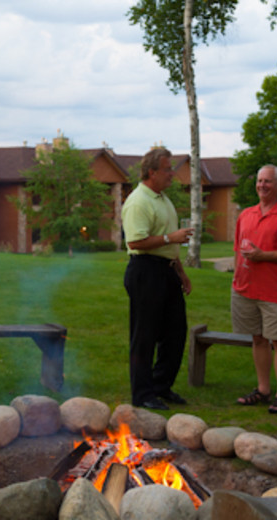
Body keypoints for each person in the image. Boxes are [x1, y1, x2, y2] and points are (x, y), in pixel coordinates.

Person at [121, 147, 193, 410]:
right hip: (145, 271)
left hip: (166, 270)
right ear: (152, 172)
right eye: (167, 169)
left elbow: (168, 246)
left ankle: (161, 385)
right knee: (145, 335)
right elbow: (135, 241)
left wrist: (181, 273)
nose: (172, 174)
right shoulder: (138, 201)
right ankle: (142, 394)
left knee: (175, 332)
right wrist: (169, 238)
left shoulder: (162, 198)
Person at [232, 165, 277, 415]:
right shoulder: (246, 215)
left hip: (276, 290)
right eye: (260, 181)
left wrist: (263, 256)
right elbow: (236, 251)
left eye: (268, 181)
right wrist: (236, 279)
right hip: (246, 289)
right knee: (258, 339)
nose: (262, 185)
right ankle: (263, 390)